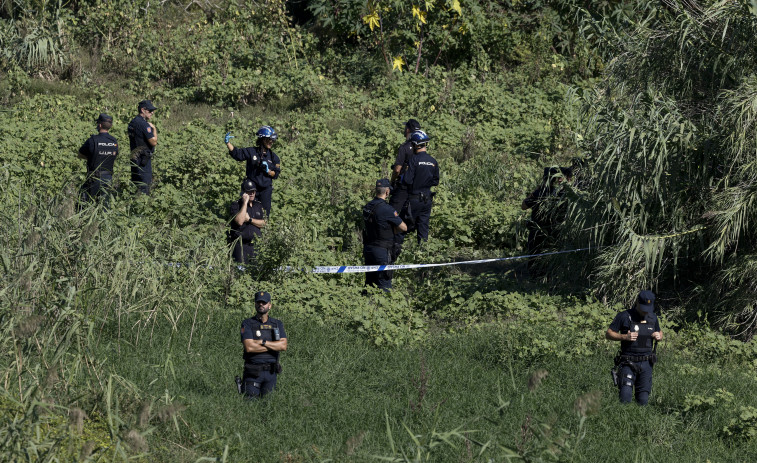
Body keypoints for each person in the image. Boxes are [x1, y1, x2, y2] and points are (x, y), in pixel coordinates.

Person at [605, 290, 663, 405]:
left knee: (643, 400)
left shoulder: (653, 318)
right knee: (625, 397)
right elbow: (609, 333)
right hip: (628, 362)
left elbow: (659, 331)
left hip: (647, 363)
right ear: (637, 303)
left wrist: (659, 336)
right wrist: (625, 336)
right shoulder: (624, 316)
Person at [521, 166, 569, 272]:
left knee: (534, 258)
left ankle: (534, 280)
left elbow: (523, 206)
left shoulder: (539, 193)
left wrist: (535, 192)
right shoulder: (559, 193)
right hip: (553, 231)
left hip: (536, 231)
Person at [225, 126, 281, 216]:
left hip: (265, 190)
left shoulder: (274, 157)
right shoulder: (251, 151)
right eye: (269, 139)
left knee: (264, 214)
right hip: (251, 188)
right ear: (262, 139)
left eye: (272, 140)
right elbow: (238, 154)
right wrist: (227, 143)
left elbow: (276, 174)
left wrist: (268, 171)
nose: (271, 142)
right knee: (247, 211)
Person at [240, 291, 287, 398]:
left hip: (271, 373)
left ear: (269, 305)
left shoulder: (276, 324)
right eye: (258, 302)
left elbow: (283, 346)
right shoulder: (247, 323)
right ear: (255, 304)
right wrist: (274, 346)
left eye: (264, 303)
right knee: (250, 405)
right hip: (253, 372)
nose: (261, 304)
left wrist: (263, 342)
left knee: (269, 406)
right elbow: (249, 347)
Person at [363, 178, 407, 291]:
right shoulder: (387, 209)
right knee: (384, 285)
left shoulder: (367, 206)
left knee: (369, 284)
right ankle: (385, 307)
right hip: (382, 251)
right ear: (387, 192)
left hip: (368, 249)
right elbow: (404, 227)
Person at [400, 130, 439, 245]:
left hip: (414, 199)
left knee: (402, 226)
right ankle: (422, 254)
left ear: (415, 145)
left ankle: (395, 255)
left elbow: (407, 180)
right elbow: (435, 181)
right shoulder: (433, 161)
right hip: (427, 200)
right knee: (423, 229)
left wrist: (403, 177)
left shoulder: (414, 160)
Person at [78, 113, 118, 204]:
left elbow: (80, 154)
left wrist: (91, 158)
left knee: (84, 201)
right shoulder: (114, 141)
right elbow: (114, 155)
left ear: (99, 125)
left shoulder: (92, 140)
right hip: (108, 178)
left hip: (94, 178)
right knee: (104, 205)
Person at [229, 179, 266, 264]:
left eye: (253, 191)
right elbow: (240, 221)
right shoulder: (236, 205)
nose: (252, 193)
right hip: (240, 246)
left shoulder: (258, 205)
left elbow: (264, 223)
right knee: (240, 271)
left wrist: (250, 220)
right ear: (244, 193)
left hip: (255, 246)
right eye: (249, 192)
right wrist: (245, 203)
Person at [389, 119, 421, 212]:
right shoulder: (420, 147)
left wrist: (392, 181)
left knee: (393, 212)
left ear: (407, 130)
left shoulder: (404, 147)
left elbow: (397, 169)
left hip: (403, 186)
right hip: (416, 186)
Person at [127, 100, 158, 195]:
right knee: (144, 187)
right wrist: (154, 129)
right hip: (143, 160)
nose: (152, 112)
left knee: (136, 185)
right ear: (143, 110)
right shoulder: (144, 124)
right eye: (150, 110)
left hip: (134, 157)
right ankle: (142, 206)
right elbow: (153, 142)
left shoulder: (133, 122)